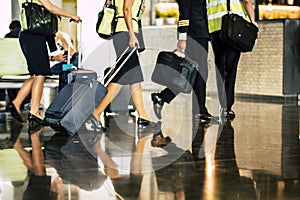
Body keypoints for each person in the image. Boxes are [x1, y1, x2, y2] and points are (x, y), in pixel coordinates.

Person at [7, 0, 80, 131]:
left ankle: (24, 107)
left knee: (37, 74)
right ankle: (34, 113)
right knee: (40, 74)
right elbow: (50, 7)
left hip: (29, 34)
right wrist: (72, 15)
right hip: (34, 36)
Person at [90, 0, 158, 137]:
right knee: (121, 77)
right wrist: (132, 35)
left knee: (134, 77)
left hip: (124, 32)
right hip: (126, 34)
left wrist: (138, 10)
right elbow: (126, 9)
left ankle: (142, 115)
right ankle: (96, 113)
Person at [151, 0, 217, 123]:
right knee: (197, 73)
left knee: (196, 73)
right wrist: (182, 38)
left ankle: (164, 97)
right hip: (194, 34)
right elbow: (184, 12)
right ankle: (198, 111)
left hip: (201, 34)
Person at [207, 0, 257, 120]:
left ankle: (223, 105)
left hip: (214, 27)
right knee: (230, 68)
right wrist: (253, 22)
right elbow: (247, 1)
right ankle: (227, 107)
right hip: (231, 25)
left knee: (220, 66)